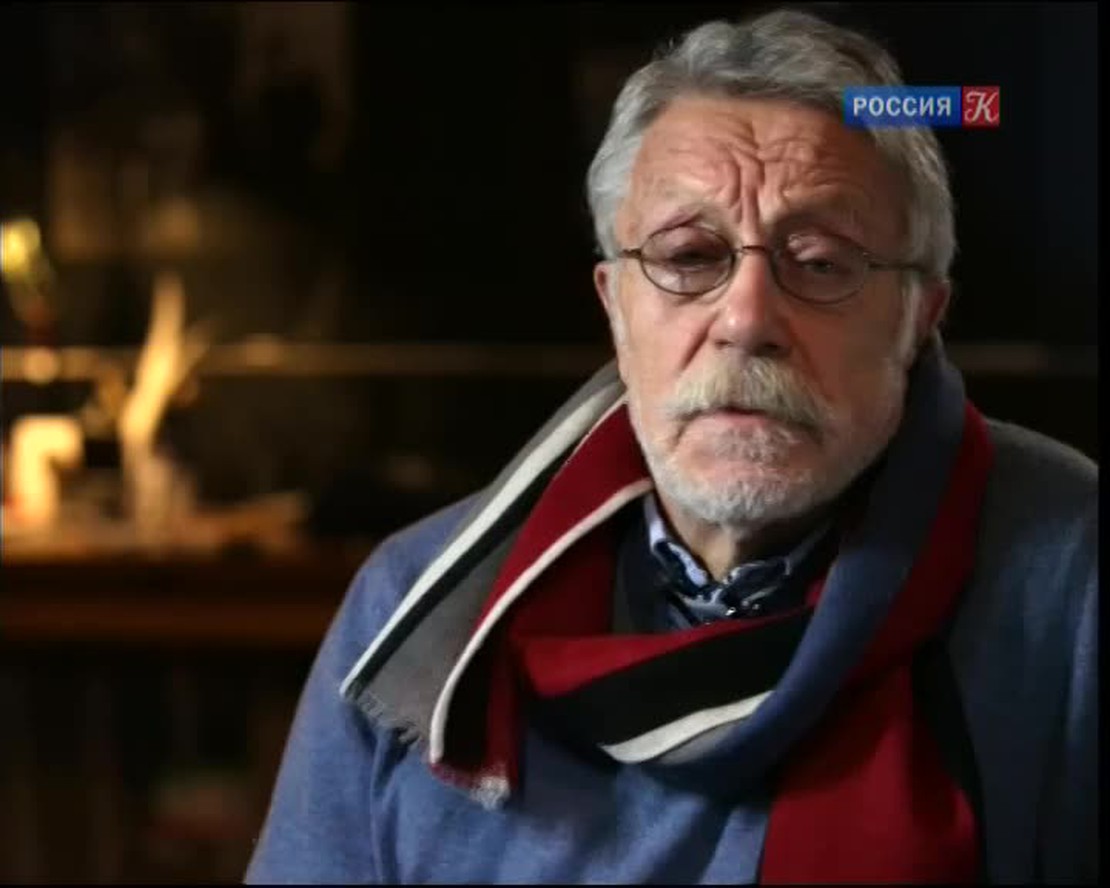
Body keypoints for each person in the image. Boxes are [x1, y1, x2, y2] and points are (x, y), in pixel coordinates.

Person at [245, 8, 1097, 884]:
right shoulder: (418, 610)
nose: (747, 319)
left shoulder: (1071, 580)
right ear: (614, 304)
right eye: (689, 257)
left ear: (920, 316)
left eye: (820, 261)